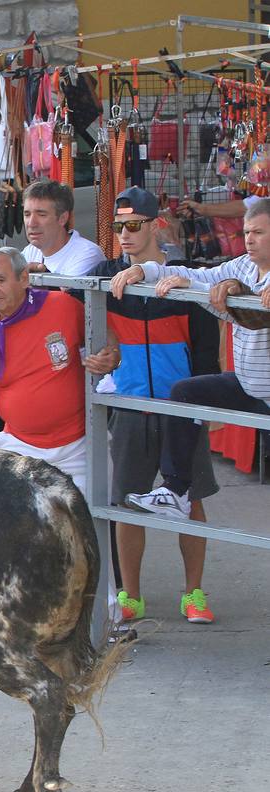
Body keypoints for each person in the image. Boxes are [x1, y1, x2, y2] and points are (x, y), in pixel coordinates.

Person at [109, 199, 270, 622]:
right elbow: (196, 274)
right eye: (248, 232)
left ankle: (193, 588)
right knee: (184, 397)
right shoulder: (241, 268)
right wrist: (146, 272)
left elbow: (206, 341)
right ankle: (173, 496)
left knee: (196, 493)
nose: (249, 239)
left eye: (259, 233)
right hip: (231, 389)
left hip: (262, 393)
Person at [87, 187, 221, 625]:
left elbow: (205, 353)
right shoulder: (106, 274)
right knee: (127, 503)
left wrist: (204, 409)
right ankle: (132, 597)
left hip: (180, 408)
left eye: (133, 226)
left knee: (191, 500)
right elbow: (61, 291)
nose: (124, 235)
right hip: (129, 406)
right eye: (118, 227)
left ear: (154, 225)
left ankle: (194, 594)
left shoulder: (183, 276)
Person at [0, 247, 119, 491]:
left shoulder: (62, 305)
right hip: (20, 449)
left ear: (23, 278)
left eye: (0, 280)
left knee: (90, 526)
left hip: (80, 446)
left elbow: (107, 335)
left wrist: (111, 355)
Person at [0, 180, 103, 279]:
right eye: (27, 214)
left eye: (41, 214)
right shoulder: (31, 250)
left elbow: (64, 303)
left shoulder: (87, 253)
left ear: (63, 218)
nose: (31, 223)